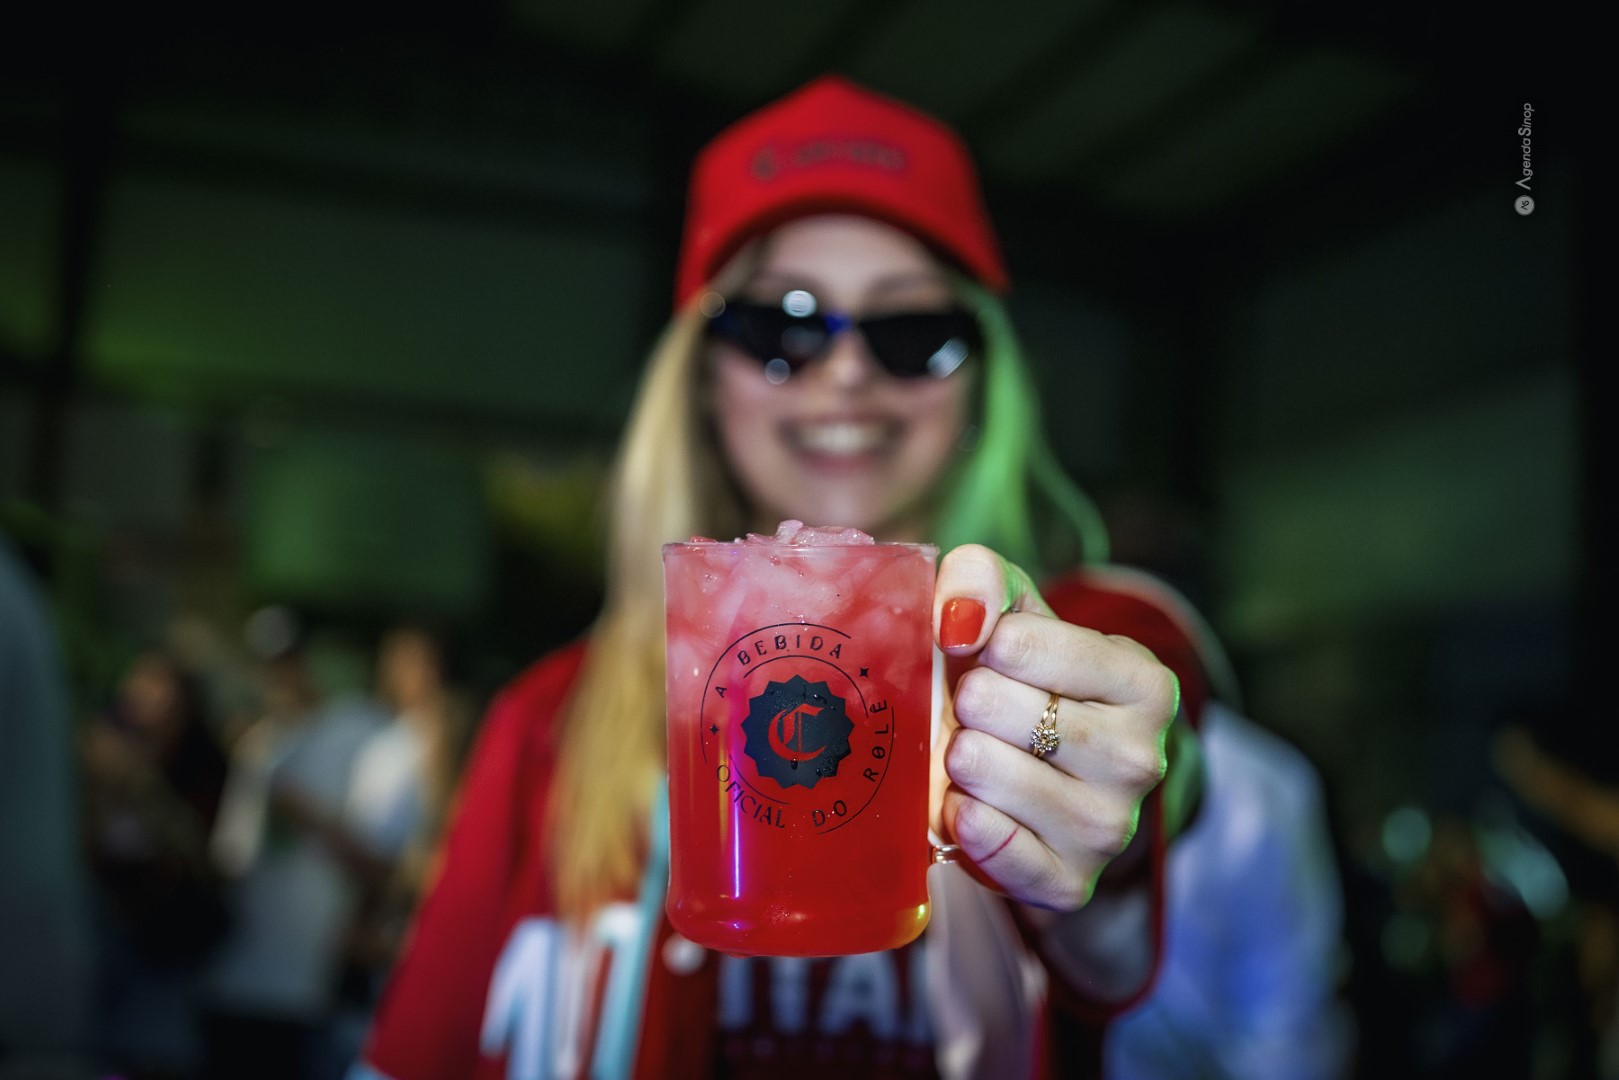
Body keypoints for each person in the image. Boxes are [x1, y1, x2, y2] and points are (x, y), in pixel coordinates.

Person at [353, 75, 1336, 1079]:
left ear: (979, 386)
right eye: (779, 327)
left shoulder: (1055, 635)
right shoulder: (544, 722)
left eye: (909, 333)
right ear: (702, 379)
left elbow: (1155, 716)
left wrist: (1107, 798)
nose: (846, 373)